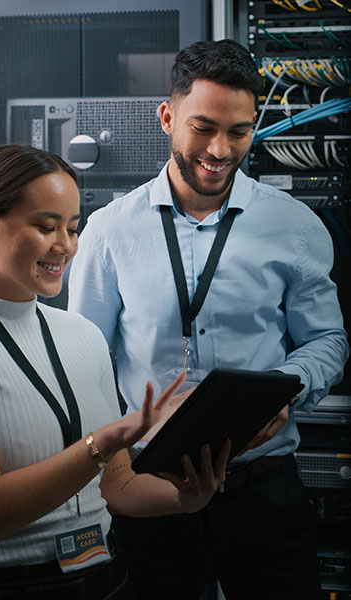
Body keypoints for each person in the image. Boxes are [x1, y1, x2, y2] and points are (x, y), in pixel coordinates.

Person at [68, 39, 350, 600]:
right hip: (149, 490)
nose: (221, 150)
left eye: (239, 131)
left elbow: (327, 339)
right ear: (168, 117)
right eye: (203, 128)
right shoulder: (108, 230)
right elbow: (86, 362)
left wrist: (287, 393)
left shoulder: (295, 227)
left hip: (263, 490)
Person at [0, 144, 231, 600]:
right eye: (45, 226)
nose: (66, 246)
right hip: (2, 588)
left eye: (73, 228)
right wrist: (108, 439)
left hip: (104, 578)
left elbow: (116, 486)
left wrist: (184, 499)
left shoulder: (83, 335)